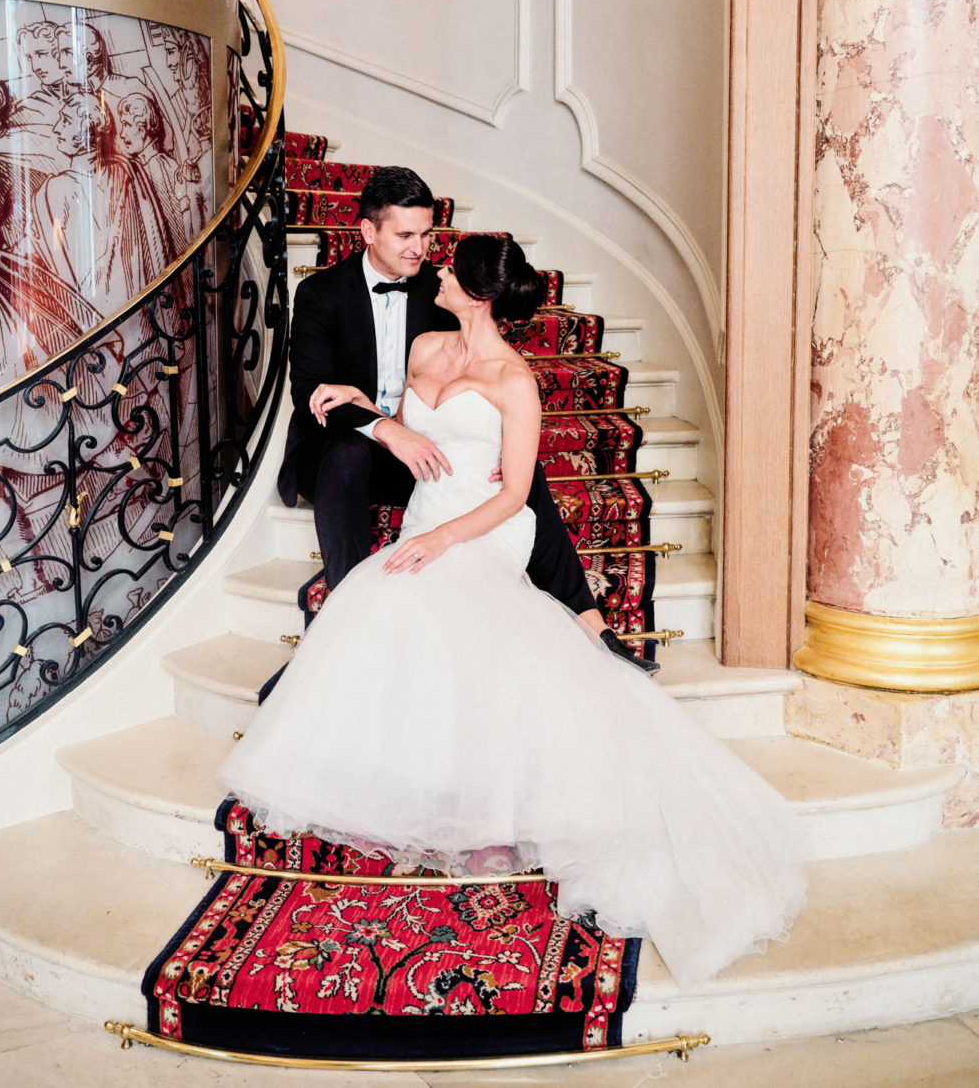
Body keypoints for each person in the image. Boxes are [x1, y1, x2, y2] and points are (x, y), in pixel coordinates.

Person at [222, 235, 808, 991]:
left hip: (482, 525)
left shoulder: (515, 379)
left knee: (448, 599)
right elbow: (407, 428)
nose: (432, 264)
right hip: (426, 514)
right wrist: (360, 409)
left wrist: (442, 538)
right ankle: (417, 772)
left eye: (447, 264)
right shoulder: (427, 344)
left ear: (476, 292)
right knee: (386, 597)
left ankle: (502, 768)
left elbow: (513, 493)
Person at [279, 165, 655, 672]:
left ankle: (589, 617)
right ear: (368, 231)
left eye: (427, 235)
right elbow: (310, 392)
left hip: (421, 448)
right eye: (405, 235)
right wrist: (384, 425)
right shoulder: (320, 294)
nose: (421, 250)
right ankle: (349, 610)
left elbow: (472, 366)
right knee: (347, 454)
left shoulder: (434, 291)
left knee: (522, 473)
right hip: (347, 445)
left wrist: (488, 448)